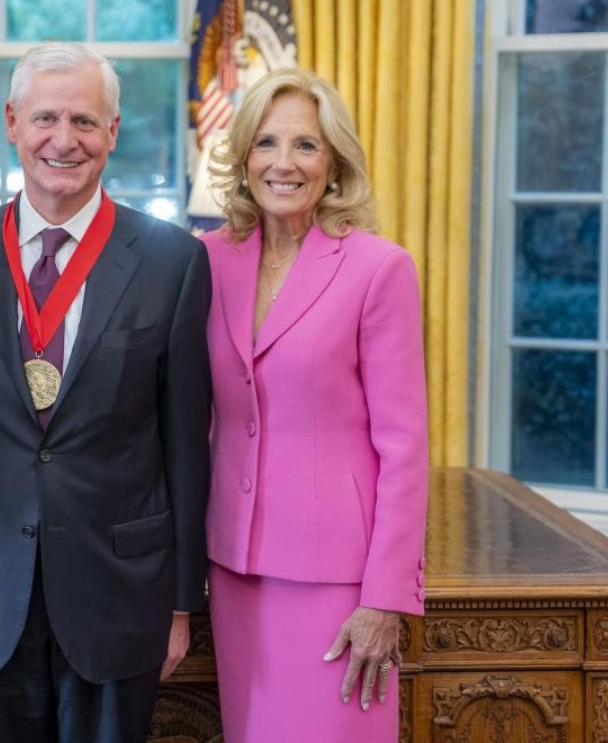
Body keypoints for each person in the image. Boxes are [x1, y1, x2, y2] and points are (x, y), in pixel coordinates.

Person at [0, 42, 212, 743]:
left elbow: (185, 445)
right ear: (13, 122)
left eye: (85, 121)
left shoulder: (174, 261)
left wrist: (181, 603)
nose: (64, 139)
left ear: (112, 133)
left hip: (120, 594)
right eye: (46, 118)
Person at [200, 67, 428, 741]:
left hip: (338, 580)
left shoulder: (379, 269)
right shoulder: (206, 259)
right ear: (244, 159)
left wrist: (385, 596)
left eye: (306, 145)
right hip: (234, 568)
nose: (284, 163)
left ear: (334, 164)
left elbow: (405, 445)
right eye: (267, 143)